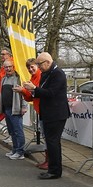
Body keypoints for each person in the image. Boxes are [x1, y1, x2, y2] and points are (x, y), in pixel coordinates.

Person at [25, 51, 69, 180]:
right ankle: (53, 168)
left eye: (40, 64)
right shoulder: (46, 73)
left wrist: (34, 88)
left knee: (53, 142)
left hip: (56, 113)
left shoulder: (58, 74)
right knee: (50, 142)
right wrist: (32, 90)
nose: (38, 67)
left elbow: (51, 93)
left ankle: (54, 171)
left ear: (48, 62)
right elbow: (42, 92)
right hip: (47, 113)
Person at [0, 51, 28, 160]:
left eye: (10, 67)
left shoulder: (18, 78)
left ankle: (20, 152)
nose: (8, 69)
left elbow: (24, 93)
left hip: (15, 109)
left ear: (13, 66)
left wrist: (24, 106)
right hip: (7, 109)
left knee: (18, 131)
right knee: (11, 131)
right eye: (6, 67)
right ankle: (15, 149)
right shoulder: (4, 79)